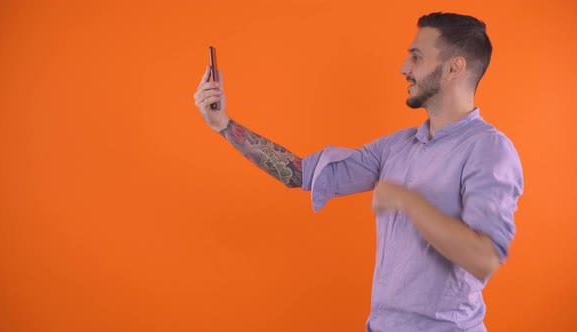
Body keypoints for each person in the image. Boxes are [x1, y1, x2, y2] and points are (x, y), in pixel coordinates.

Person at [193, 12, 523, 332]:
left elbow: (484, 259)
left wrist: (410, 201)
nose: (404, 68)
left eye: (417, 58)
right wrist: (223, 125)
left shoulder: (488, 148)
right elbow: (300, 173)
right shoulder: (398, 146)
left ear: (454, 68)